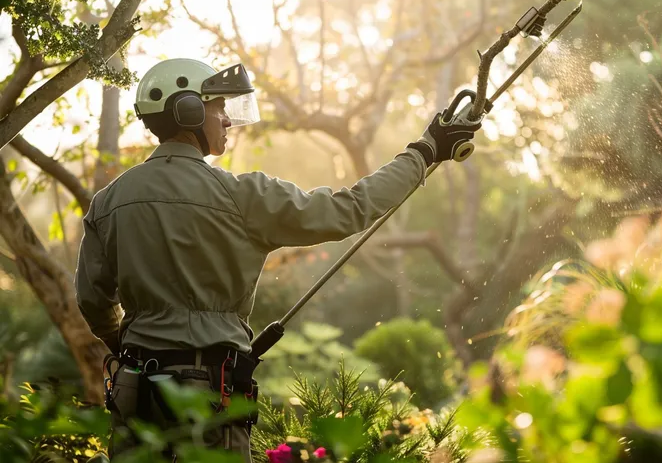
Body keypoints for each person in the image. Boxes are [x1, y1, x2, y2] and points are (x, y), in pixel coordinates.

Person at [74, 58, 481, 461]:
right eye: (219, 108)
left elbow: (94, 302)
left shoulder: (107, 203)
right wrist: (426, 152)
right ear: (189, 111)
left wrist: (136, 345)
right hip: (209, 393)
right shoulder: (241, 196)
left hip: (135, 392)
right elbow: (349, 209)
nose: (228, 120)